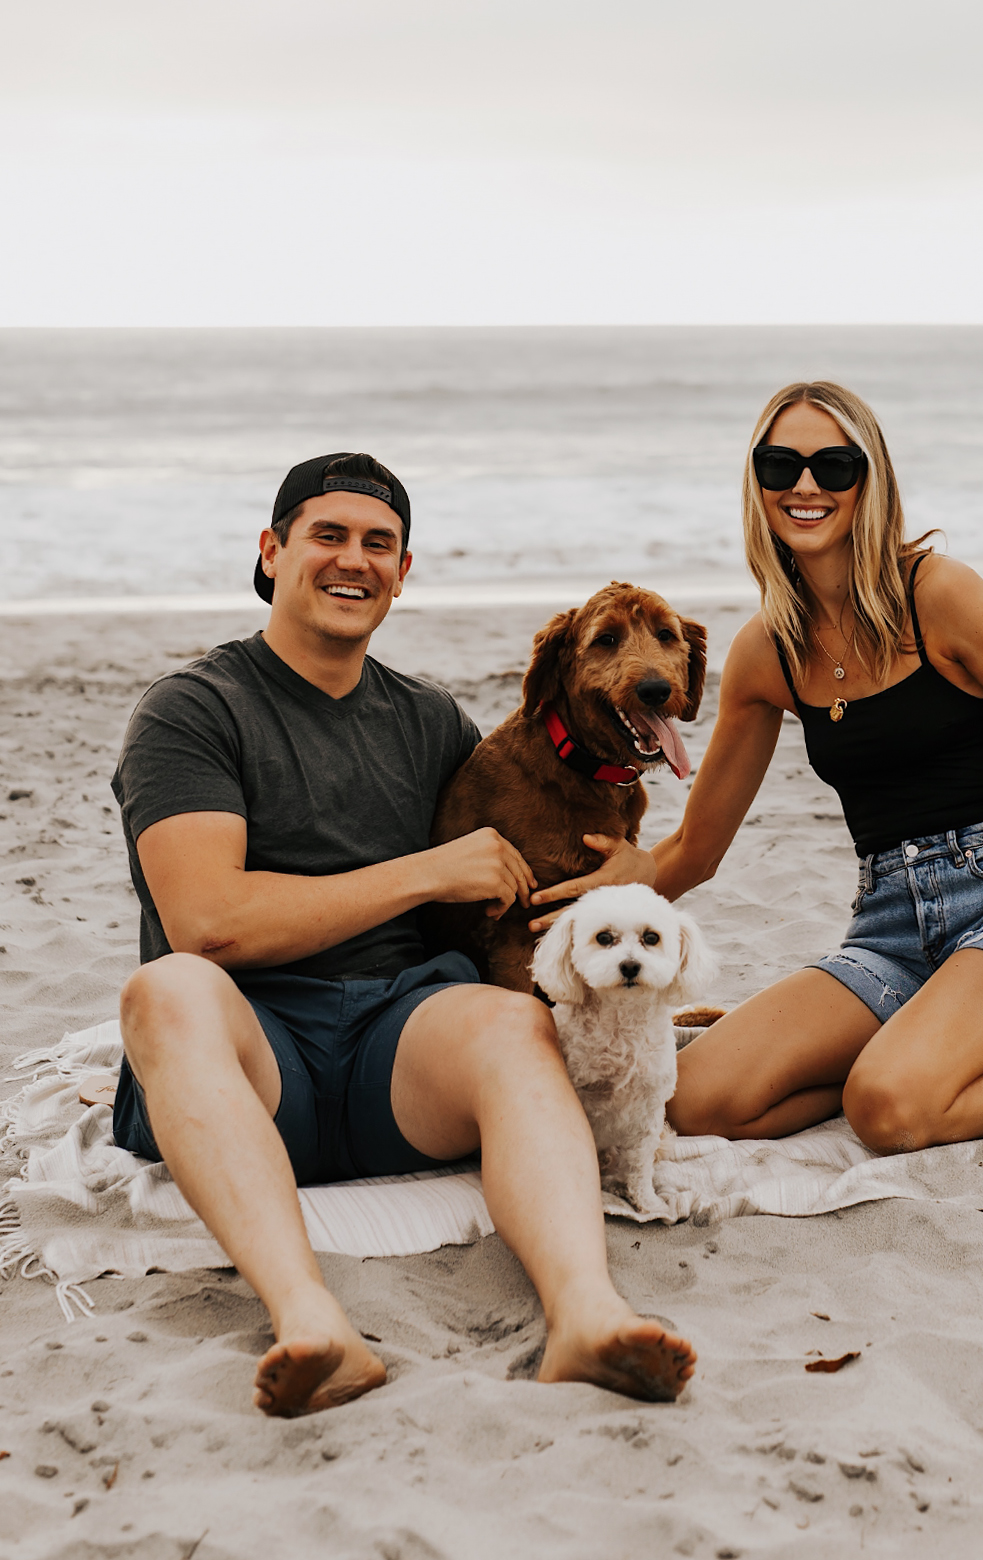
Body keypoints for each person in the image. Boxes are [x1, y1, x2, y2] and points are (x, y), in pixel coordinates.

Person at [110, 451, 694, 1416]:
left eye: (379, 543)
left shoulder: (429, 720)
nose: (354, 560)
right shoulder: (194, 711)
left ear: (404, 570)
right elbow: (207, 926)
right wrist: (428, 869)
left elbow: (536, 856)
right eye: (327, 536)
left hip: (400, 1049)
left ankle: (587, 1318)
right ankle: (312, 1324)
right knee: (165, 991)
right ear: (272, 550)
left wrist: (636, 871)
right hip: (257, 1054)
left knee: (513, 1027)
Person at [530, 383, 983, 1152]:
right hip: (887, 928)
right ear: (759, 483)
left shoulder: (939, 595)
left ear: (868, 480)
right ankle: (912, 1055)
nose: (805, 487)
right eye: (781, 465)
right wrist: (597, 907)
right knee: (699, 1101)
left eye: (833, 466)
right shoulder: (765, 652)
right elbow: (696, 850)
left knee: (889, 1108)